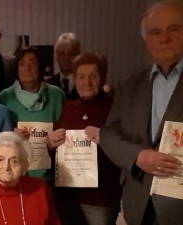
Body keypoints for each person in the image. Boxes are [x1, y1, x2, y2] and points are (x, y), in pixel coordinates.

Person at [100, 1, 183, 225]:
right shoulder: (129, 85)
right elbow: (108, 132)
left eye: (174, 29)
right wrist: (137, 156)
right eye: (155, 32)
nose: (164, 38)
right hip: (137, 203)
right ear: (146, 39)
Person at [47, 53, 121, 225]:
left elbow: (123, 155)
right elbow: (58, 156)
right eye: (81, 76)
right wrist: (51, 145)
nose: (87, 83)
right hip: (67, 196)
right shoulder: (69, 108)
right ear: (74, 78)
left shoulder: (116, 109)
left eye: (93, 76)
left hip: (100, 198)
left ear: (103, 77)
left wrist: (106, 141)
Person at [0, 47, 65, 180]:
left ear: (40, 67)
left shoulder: (57, 95)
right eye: (22, 64)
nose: (27, 68)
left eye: (32, 63)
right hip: (15, 176)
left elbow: (67, 131)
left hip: (52, 177)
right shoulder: (5, 97)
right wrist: (10, 135)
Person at [0, 131, 60, 225]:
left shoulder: (40, 189)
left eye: (14, 161)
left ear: (25, 165)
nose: (6, 167)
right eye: (0, 160)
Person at [47, 33, 81, 100]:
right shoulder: (48, 85)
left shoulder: (86, 84)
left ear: (78, 56)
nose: (66, 57)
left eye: (71, 53)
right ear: (56, 56)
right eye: (62, 53)